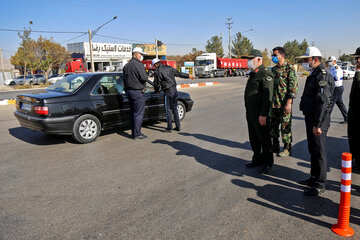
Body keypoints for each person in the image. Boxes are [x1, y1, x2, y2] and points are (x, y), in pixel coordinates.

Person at [296, 47, 334, 196]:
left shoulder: (322, 76)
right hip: (311, 117)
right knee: (312, 149)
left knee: (319, 152)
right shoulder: (314, 73)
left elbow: (323, 103)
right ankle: (313, 178)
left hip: (318, 120)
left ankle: (320, 184)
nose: (305, 62)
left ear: (315, 59)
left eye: (307, 59)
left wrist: (318, 124)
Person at [244, 49, 274, 174]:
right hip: (251, 113)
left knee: (264, 139)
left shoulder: (265, 73)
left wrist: (263, 114)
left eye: (250, 59)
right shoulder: (253, 73)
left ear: (259, 59)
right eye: (247, 59)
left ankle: (267, 162)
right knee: (254, 138)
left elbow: (268, 97)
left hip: (260, 114)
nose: (248, 62)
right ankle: (257, 158)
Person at [269, 46, 298, 157]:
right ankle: (275, 146)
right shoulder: (273, 69)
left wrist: (288, 103)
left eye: (275, 55)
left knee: (285, 126)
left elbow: (293, 87)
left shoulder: (289, 69)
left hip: (284, 104)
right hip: (274, 104)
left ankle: (287, 148)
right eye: (273, 55)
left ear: (282, 55)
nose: (273, 57)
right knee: (273, 126)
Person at [152, 58, 194, 132]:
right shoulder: (169, 68)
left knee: (168, 109)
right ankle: (178, 126)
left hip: (168, 91)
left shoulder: (157, 72)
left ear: (155, 64)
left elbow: (157, 83)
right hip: (174, 90)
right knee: (175, 108)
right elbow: (179, 73)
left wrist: (157, 91)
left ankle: (169, 127)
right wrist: (188, 76)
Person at [123, 47, 152, 140]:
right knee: (138, 113)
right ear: (136, 54)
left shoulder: (126, 66)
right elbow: (144, 78)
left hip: (129, 92)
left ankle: (133, 132)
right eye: (141, 54)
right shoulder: (138, 65)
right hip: (137, 92)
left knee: (133, 113)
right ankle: (137, 134)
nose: (141, 56)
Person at [348, 47, 360, 170]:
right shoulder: (358, 73)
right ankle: (355, 158)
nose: (356, 61)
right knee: (353, 136)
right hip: (353, 112)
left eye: (357, 58)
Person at [326, 56, 348, 124]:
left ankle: (326, 119)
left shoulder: (337, 69)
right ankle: (347, 118)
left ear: (334, 61)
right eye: (329, 61)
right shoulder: (331, 68)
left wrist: (328, 81)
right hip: (336, 88)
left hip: (337, 88)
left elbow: (336, 78)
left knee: (330, 103)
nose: (329, 63)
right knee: (340, 104)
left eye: (330, 61)